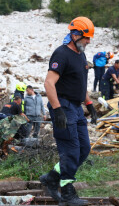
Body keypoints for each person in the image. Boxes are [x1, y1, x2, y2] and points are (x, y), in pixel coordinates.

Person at [40, 16, 98, 206]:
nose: (88, 42)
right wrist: (57, 111)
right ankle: (67, 193)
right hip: (63, 105)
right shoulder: (61, 54)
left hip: (76, 106)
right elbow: (49, 83)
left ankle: (52, 177)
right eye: (86, 38)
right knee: (71, 149)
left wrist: (89, 103)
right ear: (75, 35)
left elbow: (79, 84)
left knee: (83, 149)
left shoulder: (81, 55)